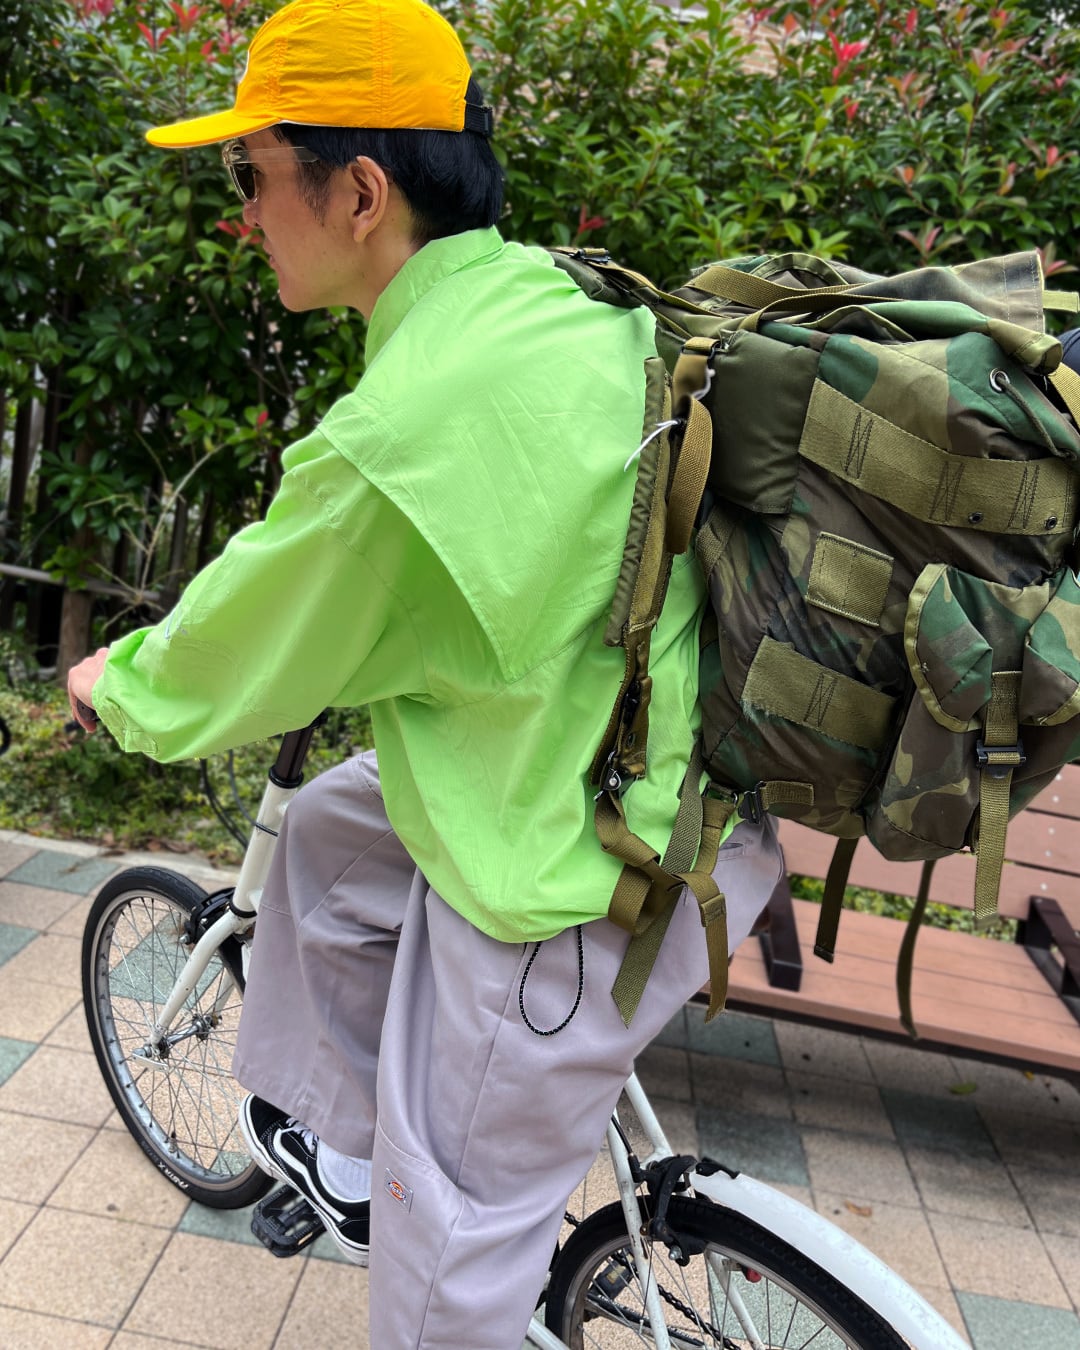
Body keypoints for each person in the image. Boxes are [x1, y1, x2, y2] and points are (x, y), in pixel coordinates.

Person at [67, 1, 783, 1344]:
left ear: (359, 193)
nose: (241, 215)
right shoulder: (557, 296)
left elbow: (243, 639)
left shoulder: (400, 435)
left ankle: (420, 1211)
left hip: (572, 894)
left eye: (250, 176)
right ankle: (346, 1157)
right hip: (672, 786)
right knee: (335, 830)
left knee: (443, 1280)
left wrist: (120, 687)